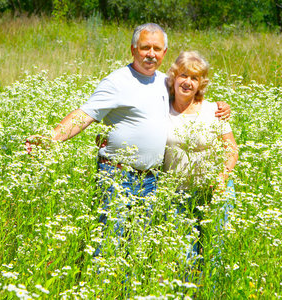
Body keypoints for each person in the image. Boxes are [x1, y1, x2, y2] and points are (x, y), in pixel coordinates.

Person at [26, 24, 231, 251]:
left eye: (157, 49)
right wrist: (51, 139)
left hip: (152, 180)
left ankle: (126, 288)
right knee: (109, 241)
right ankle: (102, 285)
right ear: (133, 50)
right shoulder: (117, 82)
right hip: (118, 175)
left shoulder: (165, 82)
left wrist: (220, 108)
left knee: (138, 248)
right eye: (145, 48)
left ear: (164, 53)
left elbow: (191, 101)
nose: (151, 54)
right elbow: (84, 115)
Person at [163, 51, 239, 265]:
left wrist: (222, 178)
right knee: (182, 258)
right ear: (173, 78)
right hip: (178, 195)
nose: (187, 82)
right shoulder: (162, 109)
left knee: (215, 255)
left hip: (215, 192)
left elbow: (231, 149)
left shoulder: (214, 110)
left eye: (194, 78)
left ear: (201, 84)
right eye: (183, 76)